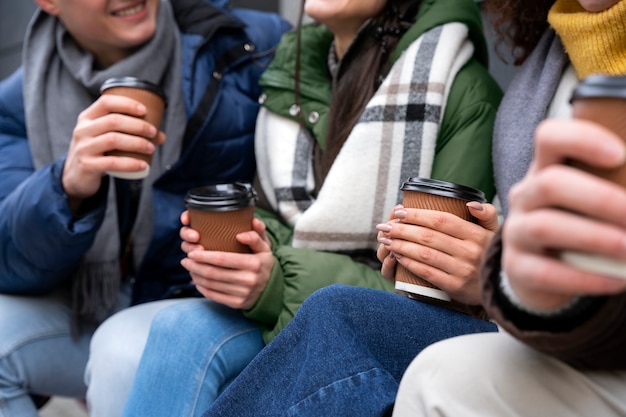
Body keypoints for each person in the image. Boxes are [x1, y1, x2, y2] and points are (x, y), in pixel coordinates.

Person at [120, 0, 502, 415]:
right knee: (176, 330)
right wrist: (250, 257)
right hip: (294, 298)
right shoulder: (292, 70)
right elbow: (274, 210)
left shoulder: (465, 91)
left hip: (382, 318)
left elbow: (433, 289)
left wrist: (274, 282)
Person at [0, 0, 290, 416]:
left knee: (125, 351)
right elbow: (10, 264)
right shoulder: (20, 99)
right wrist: (66, 186)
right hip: (102, 300)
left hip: (222, 303)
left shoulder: (247, 43)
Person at [392, 0, 626, 415]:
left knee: (443, 373)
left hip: (574, 345)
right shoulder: (544, 67)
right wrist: (496, 273)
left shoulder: (473, 87)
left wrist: (497, 278)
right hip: (559, 336)